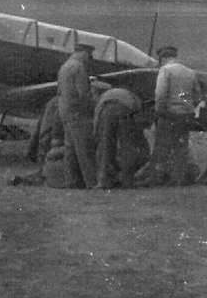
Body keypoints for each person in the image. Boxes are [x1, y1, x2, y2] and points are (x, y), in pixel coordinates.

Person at [140, 45, 201, 187]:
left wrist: (159, 112)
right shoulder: (190, 72)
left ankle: (156, 180)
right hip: (185, 115)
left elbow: (160, 94)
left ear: (162, 58)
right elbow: (197, 95)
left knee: (161, 148)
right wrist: (188, 107)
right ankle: (179, 180)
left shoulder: (165, 70)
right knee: (181, 148)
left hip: (169, 115)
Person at [57, 42, 97, 189]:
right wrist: (93, 109)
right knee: (84, 149)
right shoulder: (79, 67)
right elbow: (84, 94)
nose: (89, 59)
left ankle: (71, 181)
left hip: (65, 112)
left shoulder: (65, 66)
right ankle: (92, 182)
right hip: (77, 113)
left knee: (70, 149)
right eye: (89, 55)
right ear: (83, 53)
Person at [94, 87, 152, 189]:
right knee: (127, 147)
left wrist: (97, 135)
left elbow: (97, 121)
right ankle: (127, 181)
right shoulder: (133, 97)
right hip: (126, 109)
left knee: (105, 147)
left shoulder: (102, 99)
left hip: (106, 111)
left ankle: (104, 181)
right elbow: (137, 118)